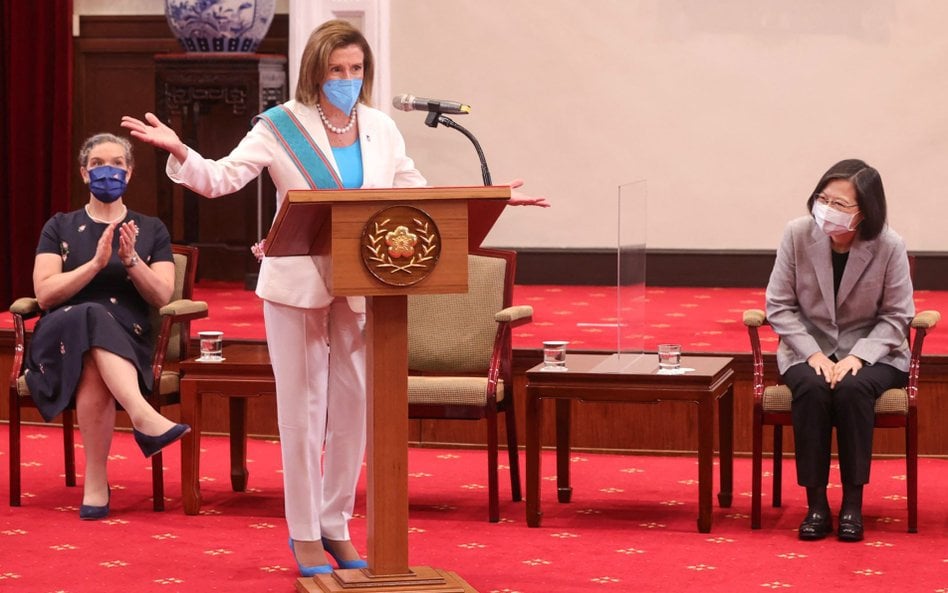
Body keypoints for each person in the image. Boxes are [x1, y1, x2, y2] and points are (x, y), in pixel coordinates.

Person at [121, 19, 546, 575]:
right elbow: (221, 178)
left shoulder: (379, 127)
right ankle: (301, 533)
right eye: (337, 70)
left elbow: (412, 192)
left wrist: (483, 200)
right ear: (316, 71)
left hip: (365, 285)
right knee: (303, 410)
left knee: (353, 411)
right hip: (297, 283)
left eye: (356, 69)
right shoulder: (280, 126)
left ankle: (334, 523)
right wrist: (180, 150)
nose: (348, 78)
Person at [26, 133, 191, 520]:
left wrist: (132, 259)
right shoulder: (59, 226)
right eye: (98, 164)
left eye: (116, 163)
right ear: (84, 173)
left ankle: (96, 483)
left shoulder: (150, 229)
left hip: (125, 336)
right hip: (60, 334)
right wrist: (95, 265)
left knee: (94, 354)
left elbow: (163, 296)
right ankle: (143, 416)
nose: (108, 171)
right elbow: (45, 295)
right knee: (87, 314)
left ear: (129, 173)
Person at [765, 159, 914, 543]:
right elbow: (779, 305)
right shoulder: (797, 234)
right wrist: (812, 353)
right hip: (807, 346)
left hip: (875, 352)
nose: (827, 210)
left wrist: (858, 357)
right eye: (822, 199)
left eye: (840, 204)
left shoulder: (889, 245)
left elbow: (898, 316)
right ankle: (816, 505)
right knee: (812, 388)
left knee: (852, 389)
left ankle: (852, 504)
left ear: (866, 212)